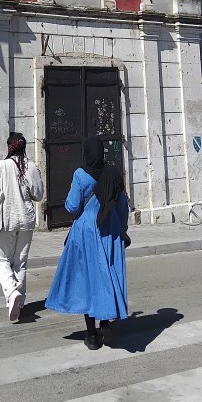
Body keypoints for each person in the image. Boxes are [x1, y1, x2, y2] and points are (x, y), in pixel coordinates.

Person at [45, 136, 129, 349]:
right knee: (106, 277)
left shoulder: (80, 174)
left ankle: (92, 335)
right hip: (109, 229)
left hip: (87, 231)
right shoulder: (113, 172)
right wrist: (122, 229)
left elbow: (72, 206)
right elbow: (122, 205)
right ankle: (105, 323)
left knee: (87, 281)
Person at [0, 132, 43, 322]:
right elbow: (38, 195)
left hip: (6, 220)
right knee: (20, 263)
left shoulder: (2, 165)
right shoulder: (31, 166)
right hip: (26, 220)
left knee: (0, 260)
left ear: (10, 147)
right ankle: (19, 303)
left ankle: (11, 292)